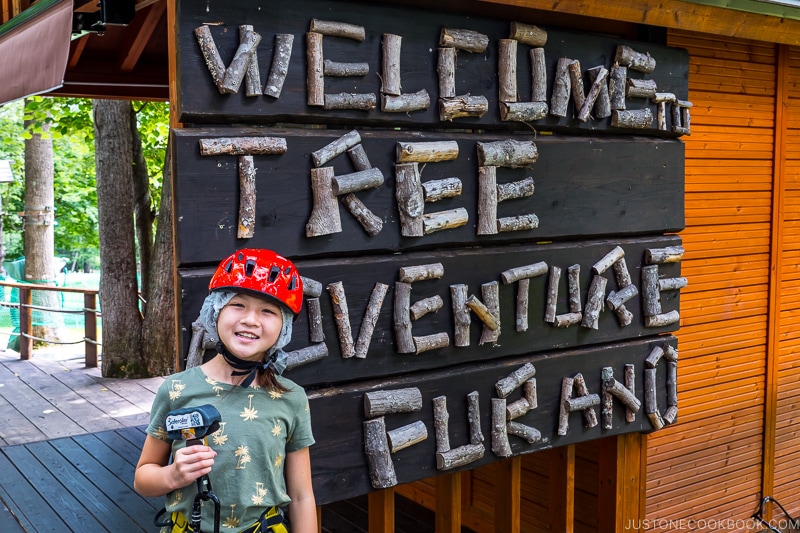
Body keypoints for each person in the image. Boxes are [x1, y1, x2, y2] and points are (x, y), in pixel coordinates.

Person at [135, 249, 316, 533]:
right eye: (238, 305)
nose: (251, 320)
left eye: (267, 311)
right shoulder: (177, 389)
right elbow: (143, 477)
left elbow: (303, 496)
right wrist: (173, 474)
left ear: (283, 328)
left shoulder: (291, 398)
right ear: (215, 311)